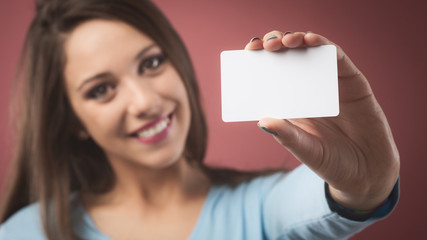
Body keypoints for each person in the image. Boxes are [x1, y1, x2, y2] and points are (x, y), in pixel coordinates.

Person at [0, 0, 400, 239]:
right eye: (101, 89)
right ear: (74, 121)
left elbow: (335, 197)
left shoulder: (262, 208)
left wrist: (368, 181)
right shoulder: (24, 234)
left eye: (152, 63)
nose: (145, 102)